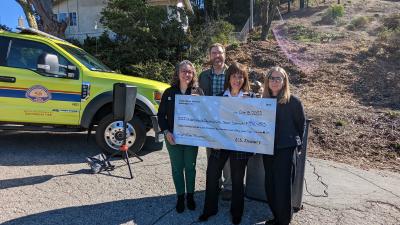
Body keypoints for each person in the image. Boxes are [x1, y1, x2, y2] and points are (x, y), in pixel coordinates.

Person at [199, 62, 255, 225]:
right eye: (234, 76)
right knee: (212, 176)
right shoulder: (218, 97)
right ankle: (209, 209)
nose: (237, 80)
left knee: (237, 180)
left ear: (244, 79)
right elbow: (211, 122)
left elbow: (255, 124)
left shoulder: (251, 98)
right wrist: (213, 139)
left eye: (240, 76)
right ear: (228, 78)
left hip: (240, 146)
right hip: (220, 144)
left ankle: (236, 212)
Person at [157, 60, 204, 213]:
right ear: (178, 73)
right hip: (173, 137)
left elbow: (205, 114)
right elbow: (161, 116)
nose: (187, 74)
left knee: (190, 167)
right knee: (177, 168)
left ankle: (190, 196)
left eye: (190, 72)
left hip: (191, 138)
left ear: (193, 74)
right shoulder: (169, 92)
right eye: (183, 71)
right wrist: (166, 132)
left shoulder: (199, 92)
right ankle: (180, 197)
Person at [262, 66, 306, 225]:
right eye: (271, 78)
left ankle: (283, 221)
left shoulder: (294, 102)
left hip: (286, 150)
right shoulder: (263, 101)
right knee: (270, 185)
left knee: (283, 188)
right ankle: (277, 217)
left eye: (278, 78)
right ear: (267, 81)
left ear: (284, 81)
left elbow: (301, 126)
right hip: (268, 149)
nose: (274, 81)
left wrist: (297, 147)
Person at [198, 43, 232, 201]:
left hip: (229, 121)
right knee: (212, 154)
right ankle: (215, 184)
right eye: (213, 53)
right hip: (210, 121)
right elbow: (199, 97)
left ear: (225, 54)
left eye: (219, 52)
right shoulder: (203, 75)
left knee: (228, 155)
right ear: (210, 56)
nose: (217, 56)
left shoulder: (234, 72)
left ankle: (229, 187)